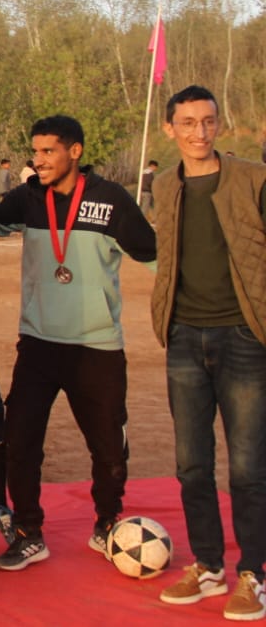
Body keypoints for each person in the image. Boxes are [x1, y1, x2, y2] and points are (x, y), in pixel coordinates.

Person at [0, 115, 156, 572]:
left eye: (48, 151)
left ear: (75, 151)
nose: (38, 160)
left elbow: (157, 258)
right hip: (38, 344)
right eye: (35, 152)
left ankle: (107, 524)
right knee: (20, 441)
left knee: (109, 448)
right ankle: (28, 533)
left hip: (97, 346)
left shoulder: (110, 201)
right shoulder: (28, 197)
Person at [151, 86, 266, 620]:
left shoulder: (253, 179)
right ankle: (208, 564)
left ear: (219, 124)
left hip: (243, 336)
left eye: (208, 121)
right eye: (188, 123)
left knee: (248, 467)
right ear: (170, 129)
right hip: (184, 338)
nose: (200, 132)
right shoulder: (165, 185)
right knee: (192, 464)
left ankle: (254, 573)